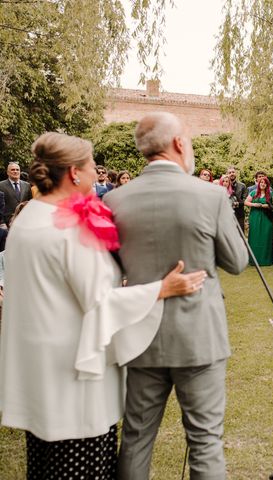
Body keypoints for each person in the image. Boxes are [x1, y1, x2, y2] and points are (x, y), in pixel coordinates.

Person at [0, 132, 206, 479]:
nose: (98, 174)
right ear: (74, 173)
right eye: (92, 166)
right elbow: (100, 304)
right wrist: (161, 289)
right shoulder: (69, 228)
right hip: (75, 382)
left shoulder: (29, 218)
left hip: (38, 374)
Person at [104, 112, 248, 479]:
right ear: (180, 144)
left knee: (136, 437)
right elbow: (236, 261)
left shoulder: (116, 200)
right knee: (205, 441)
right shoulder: (211, 195)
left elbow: (110, 269)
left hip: (139, 337)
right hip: (198, 337)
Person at [245, 176, 273, 266]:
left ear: (267, 185)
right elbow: (246, 202)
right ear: (258, 184)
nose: (263, 184)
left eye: (265, 183)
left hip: (267, 218)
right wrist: (254, 204)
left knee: (266, 237)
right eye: (261, 182)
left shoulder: (271, 194)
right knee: (254, 237)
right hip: (255, 217)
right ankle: (254, 260)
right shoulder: (253, 193)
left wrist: (267, 206)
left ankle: (267, 260)